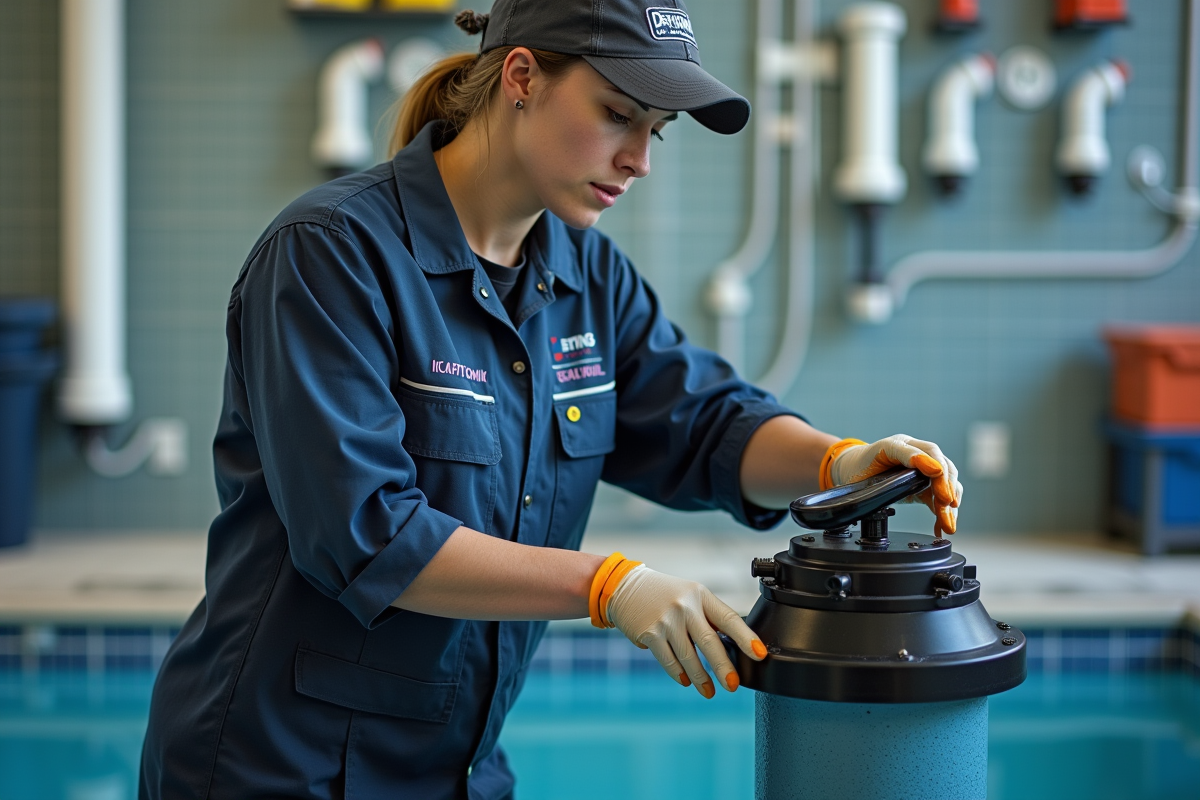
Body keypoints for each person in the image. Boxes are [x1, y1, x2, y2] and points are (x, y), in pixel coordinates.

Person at [138, 1, 963, 798]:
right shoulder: (331, 255)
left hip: (458, 768)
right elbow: (364, 534)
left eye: (656, 132)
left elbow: (706, 422)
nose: (640, 158)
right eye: (618, 115)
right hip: (283, 768)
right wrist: (604, 585)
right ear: (523, 76)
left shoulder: (587, 277)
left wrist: (838, 459)